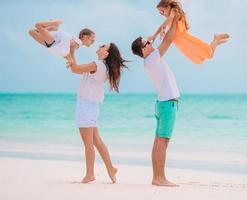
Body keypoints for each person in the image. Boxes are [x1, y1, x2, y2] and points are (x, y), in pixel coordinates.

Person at [131, 11, 180, 187]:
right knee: (163, 142)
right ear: (144, 49)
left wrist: (169, 20)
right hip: (167, 104)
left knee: (158, 141)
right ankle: (160, 178)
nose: (151, 41)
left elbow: (161, 36)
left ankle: (156, 177)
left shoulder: (149, 59)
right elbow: (168, 40)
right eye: (148, 42)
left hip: (163, 103)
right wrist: (175, 20)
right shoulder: (152, 58)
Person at [67, 42, 127, 184]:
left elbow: (75, 69)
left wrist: (71, 50)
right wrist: (70, 56)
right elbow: (75, 68)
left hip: (86, 106)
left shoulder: (97, 65)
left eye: (103, 46)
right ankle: (111, 168)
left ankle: (90, 174)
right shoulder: (104, 67)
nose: (100, 46)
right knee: (96, 142)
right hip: (91, 106)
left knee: (89, 143)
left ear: (106, 53)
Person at [148, 0, 230, 65]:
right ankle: (215, 42)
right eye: (160, 13)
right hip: (182, 46)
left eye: (162, 11)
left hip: (187, 41)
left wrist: (155, 35)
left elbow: (164, 25)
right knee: (199, 61)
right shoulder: (170, 18)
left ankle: (216, 39)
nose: (161, 14)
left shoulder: (174, 12)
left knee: (209, 54)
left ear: (168, 7)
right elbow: (166, 28)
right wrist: (161, 32)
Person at [29, 20, 95, 60]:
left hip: (52, 44)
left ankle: (52, 27)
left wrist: (68, 59)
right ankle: (53, 24)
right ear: (85, 36)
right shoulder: (79, 42)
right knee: (38, 25)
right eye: (92, 39)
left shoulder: (77, 43)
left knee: (31, 31)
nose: (93, 42)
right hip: (55, 43)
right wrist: (72, 61)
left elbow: (66, 52)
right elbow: (71, 48)